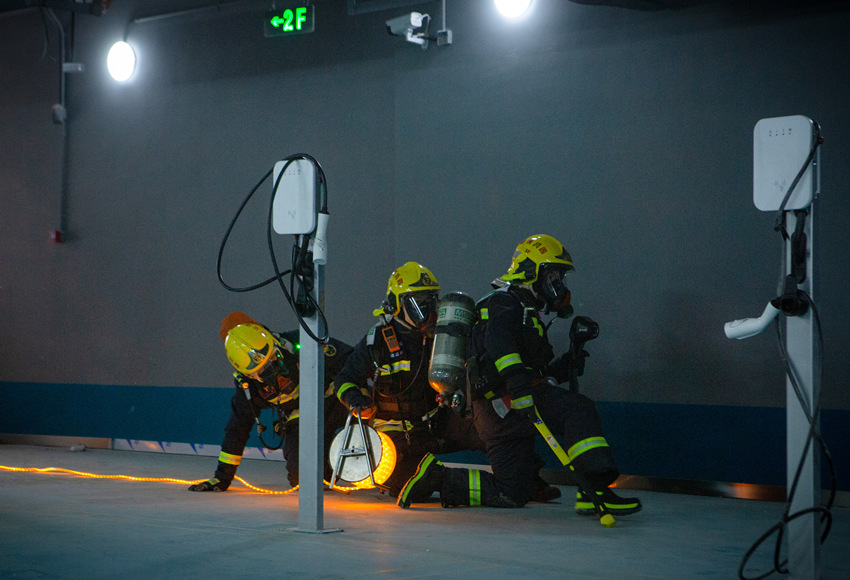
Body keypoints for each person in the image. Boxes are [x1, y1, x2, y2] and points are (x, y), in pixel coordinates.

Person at [398, 235, 642, 517]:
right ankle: (597, 490)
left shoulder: (526, 312)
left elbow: (535, 371)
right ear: (532, 272)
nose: (558, 286)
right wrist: (519, 388)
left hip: (502, 408)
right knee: (578, 410)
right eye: (553, 277)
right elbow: (500, 347)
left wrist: (567, 364)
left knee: (511, 491)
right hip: (501, 402)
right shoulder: (503, 301)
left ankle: (437, 479)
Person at [333, 262, 487, 498]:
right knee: (404, 484)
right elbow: (345, 379)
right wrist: (356, 400)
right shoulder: (377, 341)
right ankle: (468, 486)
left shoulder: (441, 337)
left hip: (436, 423)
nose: (428, 309)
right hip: (395, 436)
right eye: (418, 302)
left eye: (431, 301)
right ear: (396, 305)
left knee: (492, 427)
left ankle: (521, 479)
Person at [189, 312, 352, 491]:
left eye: (274, 358)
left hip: (341, 404)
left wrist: (358, 396)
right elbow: (238, 428)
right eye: (263, 370)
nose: (275, 369)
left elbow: (354, 361)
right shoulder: (248, 386)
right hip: (302, 420)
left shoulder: (302, 341)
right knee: (304, 479)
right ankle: (330, 462)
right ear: (250, 375)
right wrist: (221, 478)